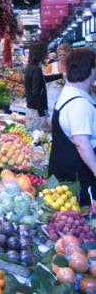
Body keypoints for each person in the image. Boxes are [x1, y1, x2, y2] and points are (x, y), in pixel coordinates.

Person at [49, 48, 96, 208]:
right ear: (89, 70)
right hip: (78, 178)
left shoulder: (69, 92)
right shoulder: (79, 103)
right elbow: (81, 143)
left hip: (64, 172)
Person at [25, 42, 62, 131]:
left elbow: (42, 79)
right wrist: (42, 114)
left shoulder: (30, 67)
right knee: (37, 138)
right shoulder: (36, 69)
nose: (47, 53)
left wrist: (60, 75)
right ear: (40, 53)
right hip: (36, 111)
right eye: (45, 51)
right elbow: (36, 93)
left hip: (32, 108)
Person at [45, 43, 72, 119]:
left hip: (67, 98)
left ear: (69, 55)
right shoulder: (50, 66)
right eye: (60, 55)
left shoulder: (72, 67)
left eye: (64, 55)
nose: (62, 57)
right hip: (51, 99)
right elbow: (45, 81)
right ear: (57, 55)